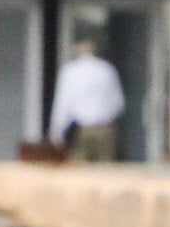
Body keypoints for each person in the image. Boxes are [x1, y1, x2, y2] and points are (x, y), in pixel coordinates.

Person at [49, 31, 127, 165]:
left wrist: (57, 132)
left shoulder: (71, 71)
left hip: (83, 130)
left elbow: (64, 104)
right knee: (104, 171)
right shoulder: (106, 70)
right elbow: (118, 103)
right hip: (105, 129)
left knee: (80, 171)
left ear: (76, 47)